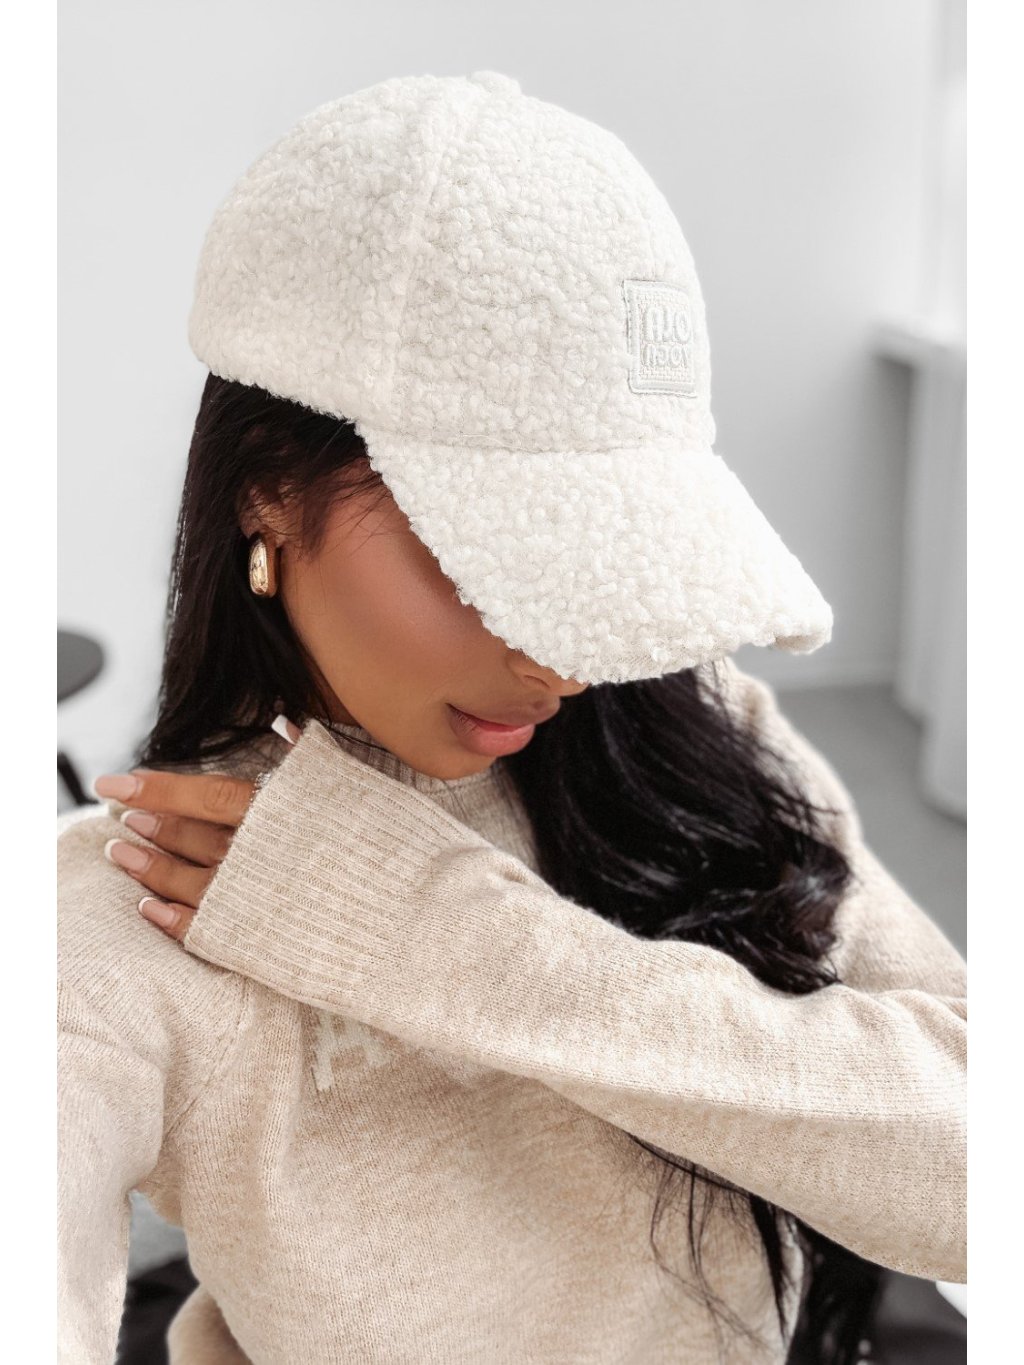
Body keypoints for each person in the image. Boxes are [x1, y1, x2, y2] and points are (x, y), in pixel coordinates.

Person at [57, 72, 967, 1365]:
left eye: (602, 552)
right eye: (489, 554)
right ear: (267, 485)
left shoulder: (703, 738)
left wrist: (446, 936)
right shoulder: (147, 897)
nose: (560, 660)